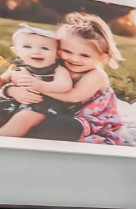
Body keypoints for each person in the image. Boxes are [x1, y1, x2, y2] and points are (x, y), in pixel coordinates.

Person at [0, 13, 124, 144]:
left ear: (102, 57)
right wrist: (13, 90)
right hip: (48, 110)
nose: (74, 59)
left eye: (85, 55)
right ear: (57, 48)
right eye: (67, 51)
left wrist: (37, 86)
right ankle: (19, 129)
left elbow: (73, 96)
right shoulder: (52, 62)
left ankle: (17, 133)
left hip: (82, 119)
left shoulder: (96, 75)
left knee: (56, 127)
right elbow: (9, 77)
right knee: (12, 113)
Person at [0, 26, 78, 132]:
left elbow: (65, 85)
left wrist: (40, 85)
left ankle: (4, 139)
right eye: (27, 46)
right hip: (13, 103)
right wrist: (12, 91)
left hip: (41, 107)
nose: (36, 51)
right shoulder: (16, 66)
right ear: (16, 51)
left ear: (57, 54)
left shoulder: (57, 69)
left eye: (45, 48)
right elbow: (3, 80)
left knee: (24, 118)